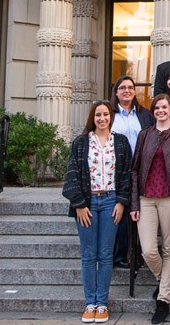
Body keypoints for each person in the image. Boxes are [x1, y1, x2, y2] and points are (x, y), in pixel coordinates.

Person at [63, 101, 132, 324]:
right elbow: (72, 173)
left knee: (105, 254)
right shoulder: (81, 142)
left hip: (111, 200)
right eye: (98, 115)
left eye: (105, 114)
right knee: (88, 255)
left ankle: (102, 303)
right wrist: (79, 204)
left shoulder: (120, 142)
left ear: (111, 117)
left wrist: (121, 202)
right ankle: (89, 303)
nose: (102, 118)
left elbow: (127, 174)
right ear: (93, 117)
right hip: (88, 203)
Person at [130, 94, 170, 325]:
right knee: (148, 251)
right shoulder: (145, 135)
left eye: (164, 107)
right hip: (146, 198)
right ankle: (164, 280)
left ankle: (163, 299)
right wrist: (134, 203)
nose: (160, 111)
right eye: (157, 107)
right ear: (153, 111)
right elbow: (135, 170)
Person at [109, 76, 155, 269]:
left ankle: (137, 253)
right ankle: (118, 254)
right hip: (115, 170)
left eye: (130, 87)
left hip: (141, 169)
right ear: (116, 92)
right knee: (119, 213)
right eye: (122, 88)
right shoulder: (109, 114)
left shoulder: (145, 115)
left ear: (135, 91)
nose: (127, 91)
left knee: (139, 212)